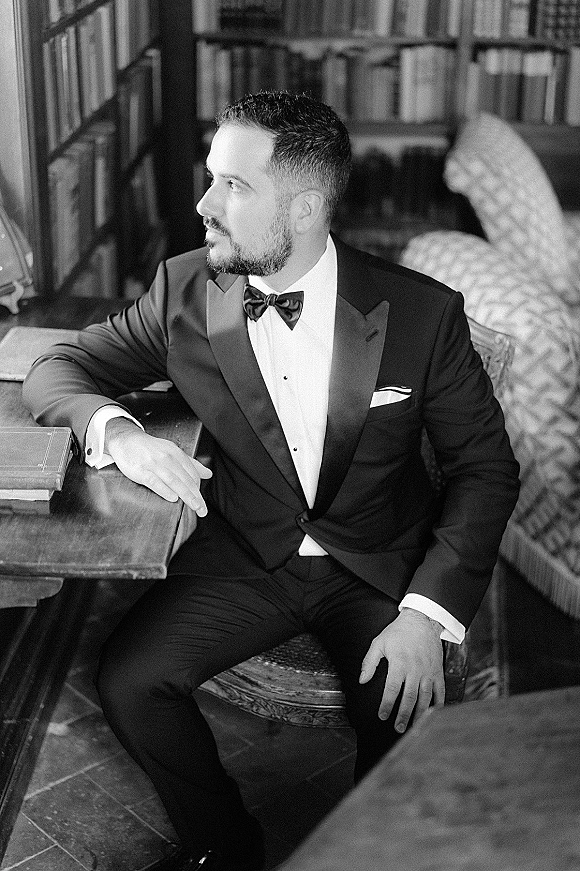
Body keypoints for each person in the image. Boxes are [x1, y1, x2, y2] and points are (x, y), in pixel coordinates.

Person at [23, 91, 520, 871]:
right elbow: (59, 366)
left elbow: (485, 471)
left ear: (307, 206)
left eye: (233, 186)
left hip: (379, 564)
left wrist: (428, 615)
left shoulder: (424, 314)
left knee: (401, 718)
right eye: (211, 178)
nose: (203, 203)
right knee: (129, 679)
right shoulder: (184, 291)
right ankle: (225, 845)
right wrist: (117, 434)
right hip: (247, 551)